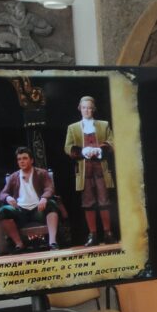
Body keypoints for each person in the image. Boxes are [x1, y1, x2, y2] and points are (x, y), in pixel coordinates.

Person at [64, 95, 115, 246]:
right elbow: (67, 147)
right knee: (88, 202)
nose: (87, 110)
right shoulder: (73, 128)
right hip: (84, 170)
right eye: (84, 108)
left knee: (104, 201)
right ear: (80, 109)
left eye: (89, 108)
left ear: (93, 109)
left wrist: (99, 150)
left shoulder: (104, 125)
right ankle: (93, 235)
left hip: (101, 169)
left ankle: (108, 233)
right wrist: (83, 151)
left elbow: (112, 142)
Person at [0, 147, 61, 252]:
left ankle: (52, 242)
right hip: (20, 211)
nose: (22, 161)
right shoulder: (14, 176)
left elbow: (49, 188)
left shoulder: (41, 173)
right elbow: (3, 193)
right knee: (3, 211)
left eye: (25, 158)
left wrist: (44, 198)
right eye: (19, 159)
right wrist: (7, 197)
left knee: (51, 204)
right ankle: (19, 244)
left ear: (31, 160)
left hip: (38, 209)